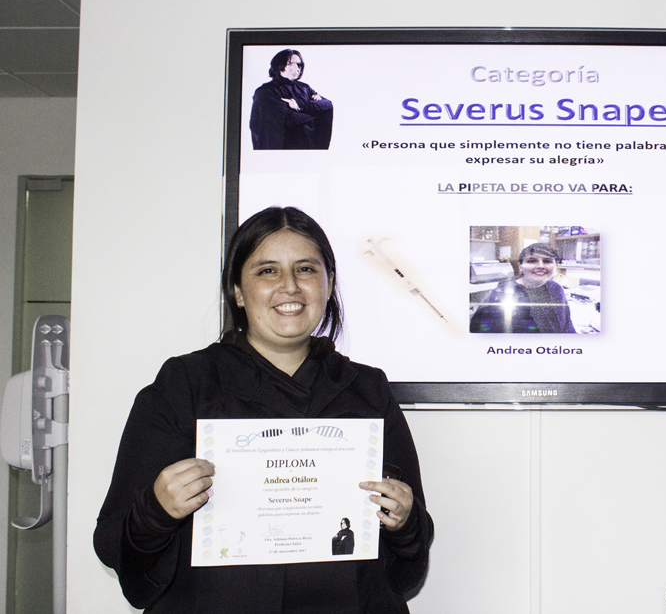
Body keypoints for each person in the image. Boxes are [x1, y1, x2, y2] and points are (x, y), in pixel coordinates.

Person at [94, 206, 432, 614]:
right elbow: (114, 540)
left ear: (328, 284)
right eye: (267, 271)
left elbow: (410, 547)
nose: (290, 286)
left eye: (306, 269)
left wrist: (404, 520)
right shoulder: (184, 385)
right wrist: (157, 509)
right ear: (238, 291)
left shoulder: (368, 389)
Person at [470, 243, 576, 333]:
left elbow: (567, 326)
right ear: (520, 266)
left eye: (547, 261)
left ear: (556, 266)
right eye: (532, 261)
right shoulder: (503, 294)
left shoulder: (556, 288)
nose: (540, 266)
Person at [250, 49, 334, 150]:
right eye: (290, 64)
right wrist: (315, 112)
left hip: (307, 147)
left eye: (299, 64)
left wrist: (299, 104)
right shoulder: (265, 91)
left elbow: (328, 104)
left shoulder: (304, 87)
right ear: (279, 65)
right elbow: (290, 119)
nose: (296, 68)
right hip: (282, 149)